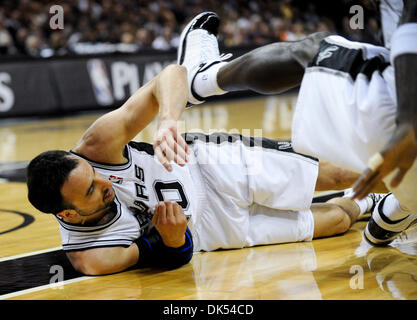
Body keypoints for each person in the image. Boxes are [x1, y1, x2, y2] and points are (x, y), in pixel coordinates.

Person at [27, 16, 385, 277]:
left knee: (341, 173)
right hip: (212, 232)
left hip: (209, 165)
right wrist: (173, 239)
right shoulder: (93, 257)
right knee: (337, 220)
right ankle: (377, 202)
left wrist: (167, 121)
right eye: (91, 190)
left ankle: (206, 74)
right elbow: (172, 258)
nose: (105, 183)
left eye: (95, 176)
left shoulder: (95, 147)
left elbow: (172, 75)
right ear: (68, 214)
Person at [178, 6, 417, 247]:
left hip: (402, 125)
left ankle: (202, 79)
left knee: (317, 48)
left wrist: (408, 124)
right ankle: (403, 203)